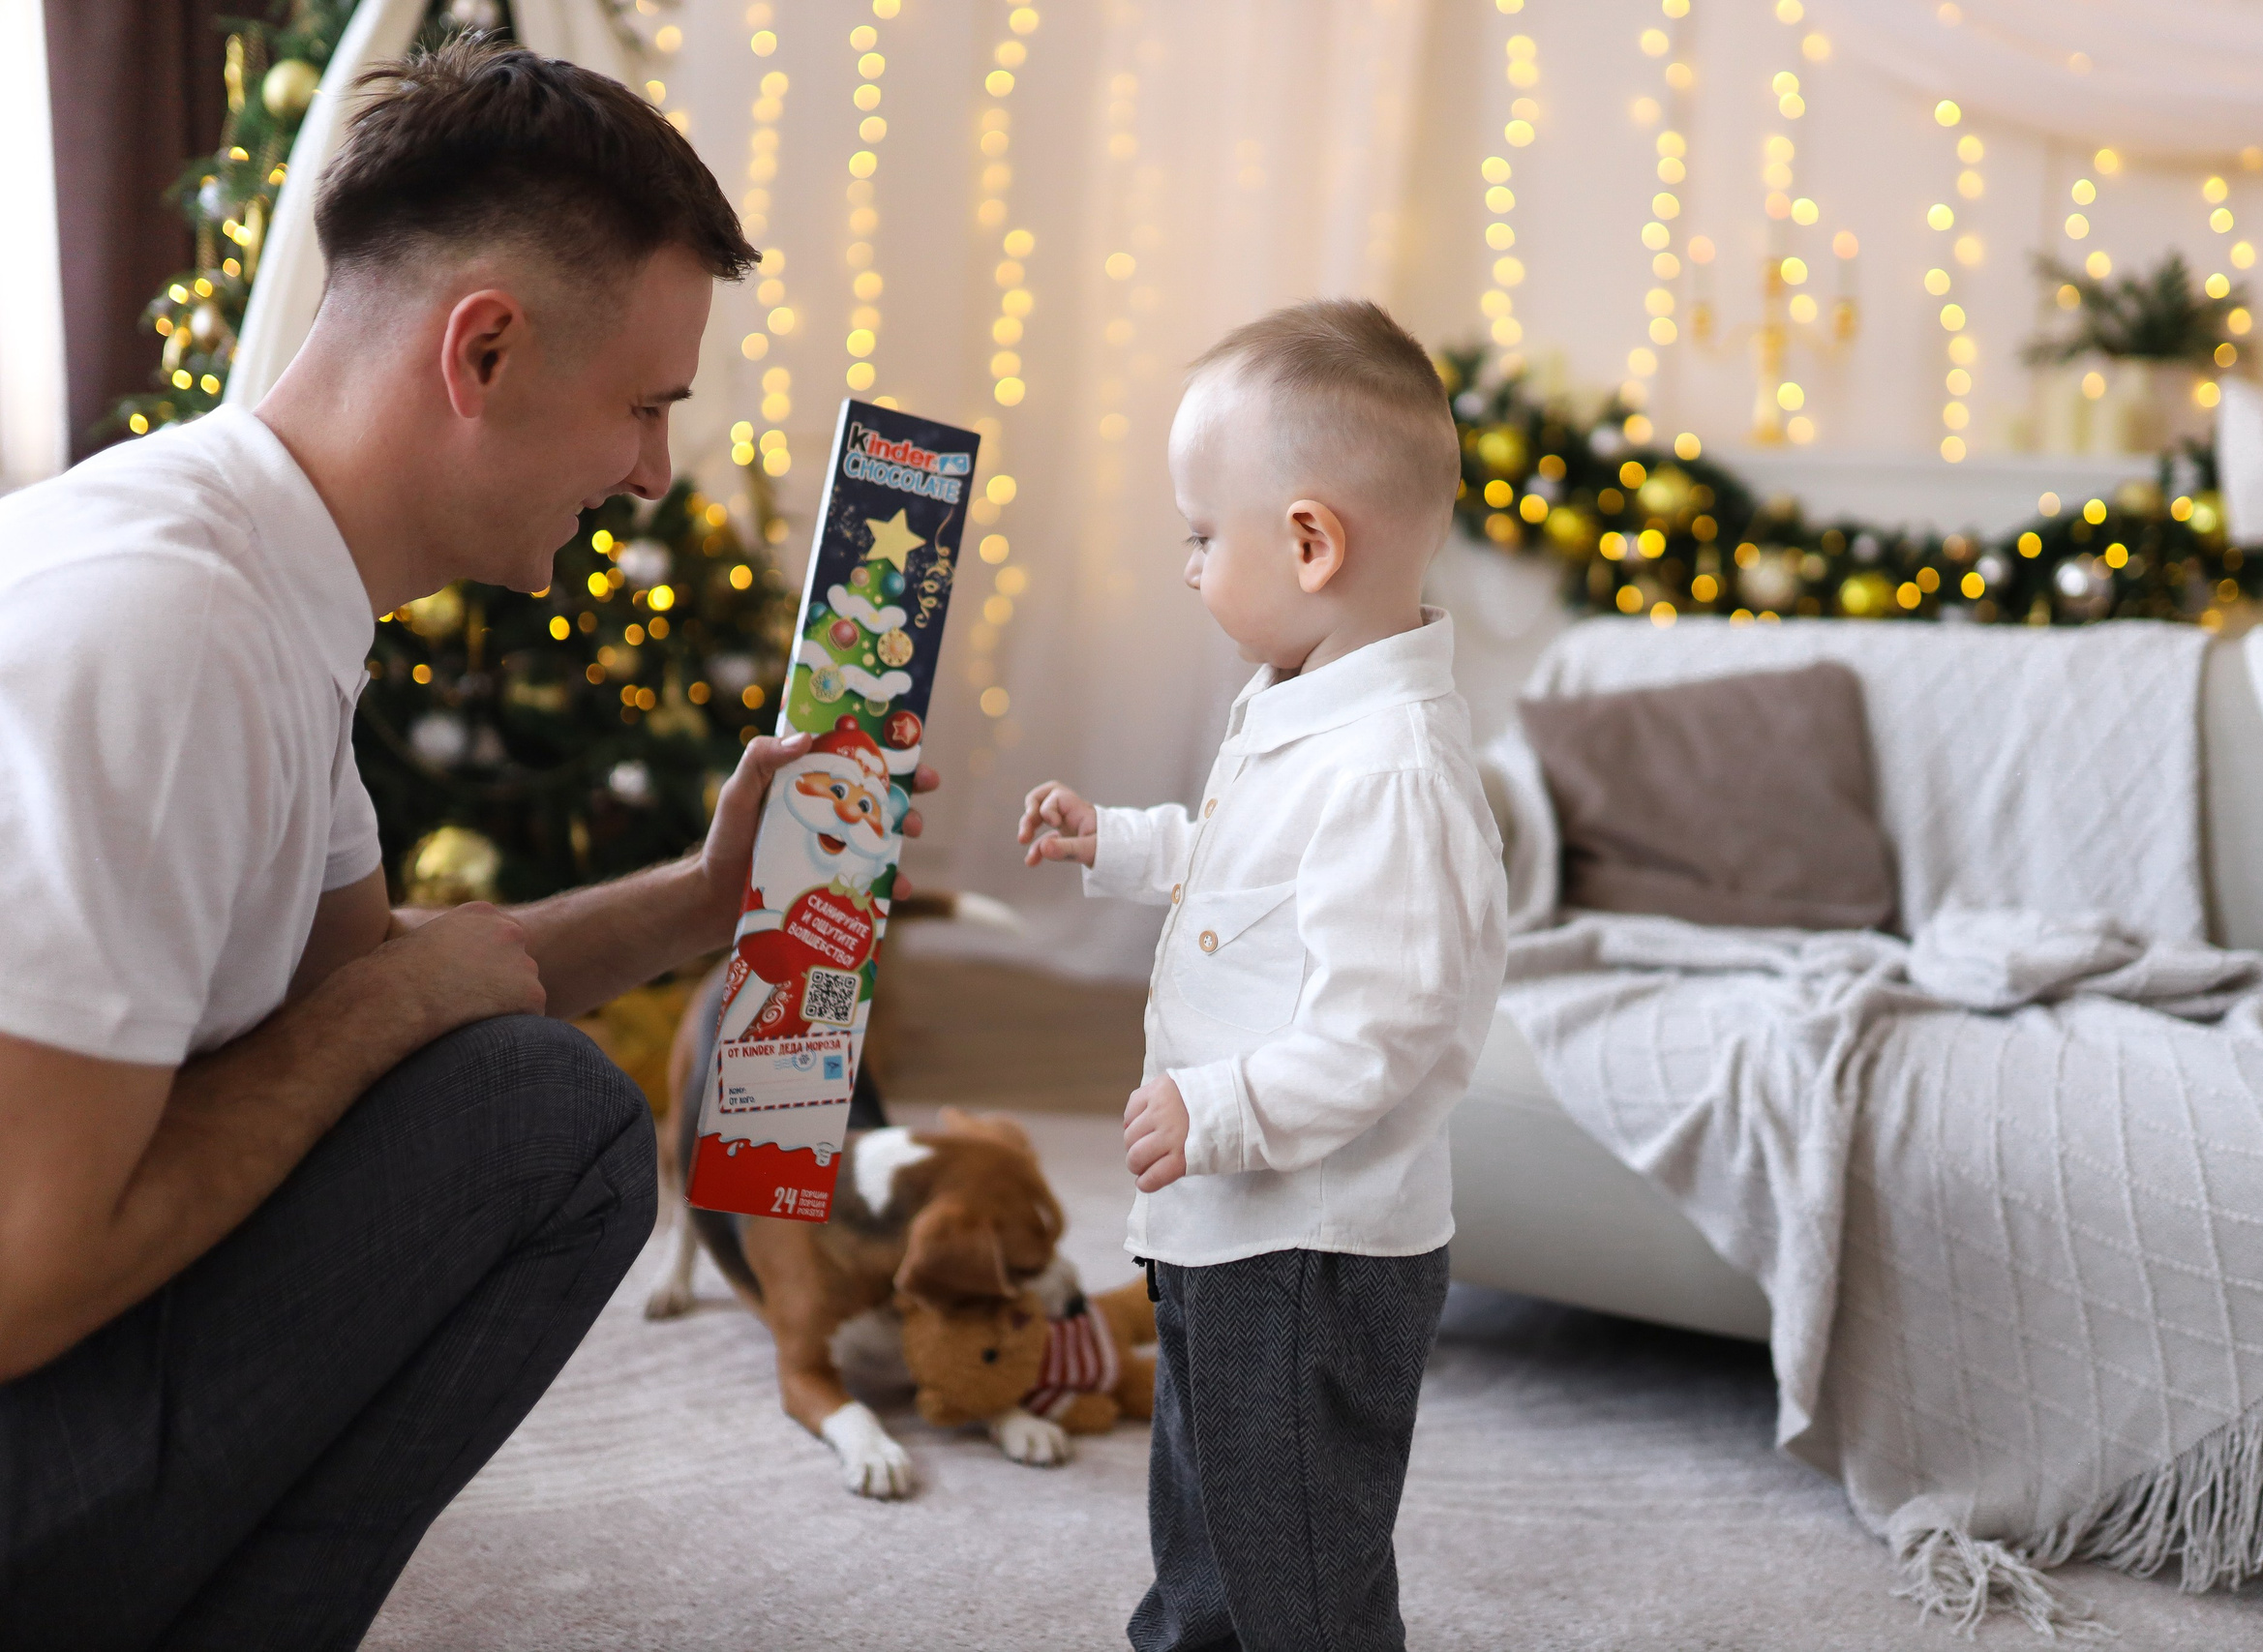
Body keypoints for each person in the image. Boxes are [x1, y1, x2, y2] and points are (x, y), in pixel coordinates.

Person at [0, 40, 931, 1649]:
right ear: (484, 350)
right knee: (546, 1121)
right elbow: (22, 1275)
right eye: (643, 405)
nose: (651, 469)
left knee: (490, 1082)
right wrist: (378, 1015)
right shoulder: (160, 637)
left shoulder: (262, 579)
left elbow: (380, 972)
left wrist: (713, 900)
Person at [1016, 299, 1507, 1652]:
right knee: (1208, 1496)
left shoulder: (1394, 771)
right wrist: (1116, 842)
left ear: (1308, 541)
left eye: (1197, 534)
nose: (1185, 566)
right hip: (1231, 1227)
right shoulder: (1302, 703)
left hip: (1314, 1242)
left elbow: (1385, 1034)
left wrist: (1216, 1111)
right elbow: (1242, 871)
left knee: (1297, 1551)